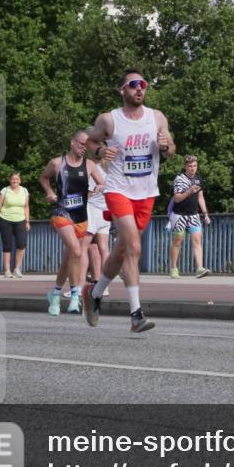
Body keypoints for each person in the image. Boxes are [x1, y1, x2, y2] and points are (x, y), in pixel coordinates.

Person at [83, 70, 176, 333]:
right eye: (133, 85)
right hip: (117, 190)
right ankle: (136, 314)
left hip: (146, 193)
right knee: (134, 247)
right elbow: (89, 140)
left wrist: (166, 146)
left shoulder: (156, 117)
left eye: (143, 84)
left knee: (122, 250)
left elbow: (171, 150)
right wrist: (100, 150)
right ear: (122, 90)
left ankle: (95, 293)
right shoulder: (109, 120)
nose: (139, 89)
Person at [41, 129, 105, 316]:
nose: (84, 148)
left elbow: (101, 183)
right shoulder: (56, 163)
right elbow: (43, 178)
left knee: (68, 258)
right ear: (72, 142)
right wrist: (49, 192)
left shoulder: (90, 165)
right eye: (81, 144)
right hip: (62, 214)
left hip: (81, 217)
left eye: (87, 145)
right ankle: (76, 296)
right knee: (77, 251)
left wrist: (99, 187)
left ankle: (55, 294)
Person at [167, 155, 211, 279]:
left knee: (197, 241)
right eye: (190, 166)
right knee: (178, 241)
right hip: (179, 215)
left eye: (195, 166)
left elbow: (200, 197)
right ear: (185, 166)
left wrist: (205, 213)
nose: (193, 168)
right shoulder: (179, 179)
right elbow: (177, 198)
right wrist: (189, 191)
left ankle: (199, 268)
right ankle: (174, 268)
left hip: (194, 215)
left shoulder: (198, 179)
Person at [0, 171, 30, 278]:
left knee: (21, 244)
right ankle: (7, 271)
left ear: (20, 180)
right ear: (10, 180)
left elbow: (26, 207)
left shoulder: (25, 191)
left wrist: (27, 221)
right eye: (13, 179)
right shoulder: (5, 190)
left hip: (20, 220)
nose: (15, 181)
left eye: (17, 179)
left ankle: (17, 269)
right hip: (5, 219)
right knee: (7, 246)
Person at [84, 149, 111, 294]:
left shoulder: (94, 170)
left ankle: (78, 286)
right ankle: (104, 284)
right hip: (106, 210)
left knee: (85, 247)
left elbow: (88, 193)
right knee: (103, 247)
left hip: (92, 209)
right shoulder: (112, 171)